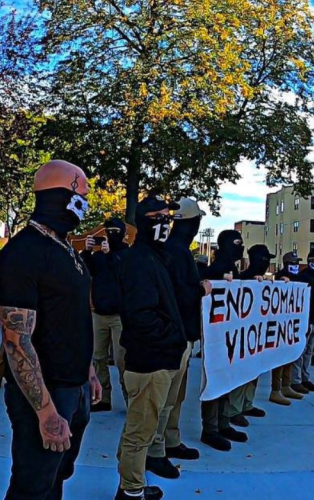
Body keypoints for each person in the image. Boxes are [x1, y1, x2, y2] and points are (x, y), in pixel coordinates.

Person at [0, 160, 101, 500]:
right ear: (63, 196)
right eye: (82, 195)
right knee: (32, 485)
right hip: (44, 393)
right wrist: (45, 412)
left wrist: (89, 371)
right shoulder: (23, 253)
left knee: (56, 476)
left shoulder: (66, 247)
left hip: (75, 387)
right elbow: (16, 341)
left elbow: (70, 316)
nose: (86, 204)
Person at [114, 196, 187, 500]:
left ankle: (130, 484)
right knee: (139, 434)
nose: (164, 223)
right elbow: (141, 315)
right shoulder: (139, 260)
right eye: (156, 216)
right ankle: (131, 492)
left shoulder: (155, 257)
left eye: (167, 217)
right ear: (142, 221)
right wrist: (170, 338)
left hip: (157, 359)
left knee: (138, 429)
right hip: (149, 363)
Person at [148, 198, 210, 477]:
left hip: (182, 334)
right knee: (166, 397)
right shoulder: (176, 251)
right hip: (175, 336)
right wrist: (201, 289)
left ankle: (170, 440)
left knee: (176, 396)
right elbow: (179, 293)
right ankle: (155, 450)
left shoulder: (176, 249)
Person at [197, 230, 249, 451]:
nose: (241, 247)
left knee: (227, 378)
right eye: (237, 243)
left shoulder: (232, 268)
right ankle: (209, 429)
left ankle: (223, 422)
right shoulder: (215, 269)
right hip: (216, 337)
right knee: (215, 380)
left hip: (230, 335)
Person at [225, 244, 276, 423]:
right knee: (242, 374)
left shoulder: (262, 281)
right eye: (265, 260)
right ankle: (234, 409)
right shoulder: (243, 279)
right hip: (244, 336)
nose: (267, 263)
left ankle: (247, 404)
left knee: (254, 373)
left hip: (258, 335)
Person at [83, 218, 130, 413]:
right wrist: (86, 251)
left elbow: (122, 273)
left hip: (120, 316)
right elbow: (86, 271)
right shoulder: (99, 256)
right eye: (108, 231)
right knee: (97, 357)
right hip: (99, 314)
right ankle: (103, 398)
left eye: (114, 231)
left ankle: (131, 400)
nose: (111, 235)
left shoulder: (127, 254)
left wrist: (110, 255)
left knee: (122, 360)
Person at [269, 252, 307, 405]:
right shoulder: (279, 278)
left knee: (291, 356)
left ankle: (286, 386)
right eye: (293, 262)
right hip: (280, 325)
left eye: (297, 262)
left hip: (294, 325)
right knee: (279, 358)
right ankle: (275, 390)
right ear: (286, 263)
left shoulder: (299, 279)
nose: (296, 265)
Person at [290, 249, 314, 394]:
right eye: (312, 261)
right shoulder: (303, 277)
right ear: (308, 261)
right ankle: (296, 380)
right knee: (300, 351)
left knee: (309, 351)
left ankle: (305, 378)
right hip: (306, 321)